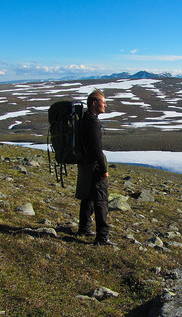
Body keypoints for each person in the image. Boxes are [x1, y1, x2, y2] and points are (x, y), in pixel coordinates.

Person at [75, 89, 113, 246]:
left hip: (86, 165)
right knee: (101, 201)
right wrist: (104, 169)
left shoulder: (84, 119)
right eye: (103, 103)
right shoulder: (93, 122)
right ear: (94, 103)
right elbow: (97, 148)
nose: (105, 105)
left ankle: (84, 228)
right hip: (95, 166)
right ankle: (102, 236)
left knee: (88, 197)